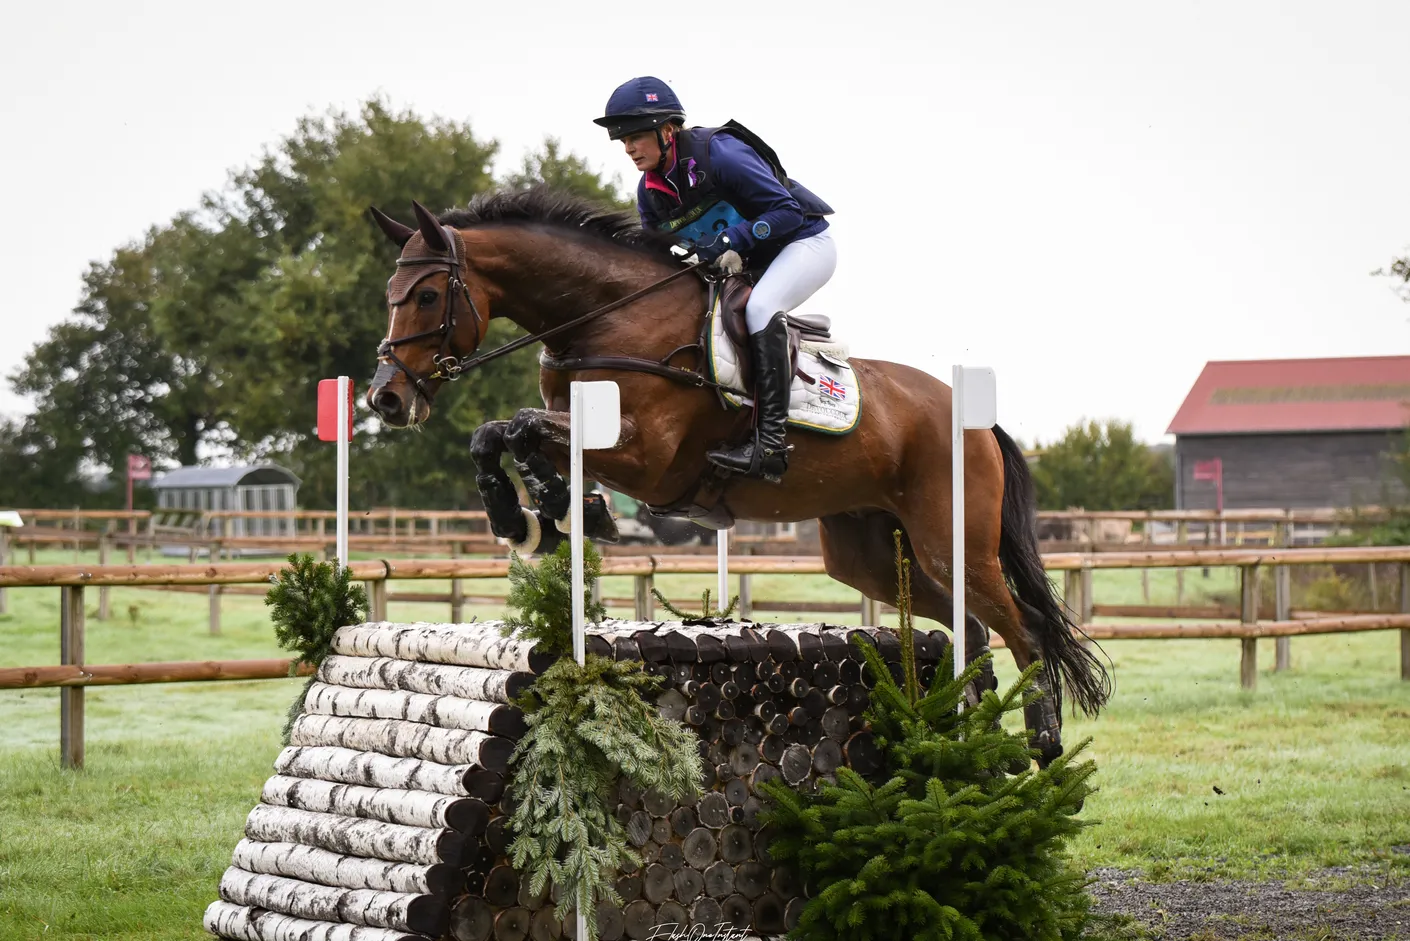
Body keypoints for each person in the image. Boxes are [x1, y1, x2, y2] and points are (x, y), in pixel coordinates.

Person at [594, 76, 836, 482]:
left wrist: (730, 239)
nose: (629, 149)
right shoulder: (649, 192)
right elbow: (660, 255)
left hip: (803, 245)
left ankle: (771, 445)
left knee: (760, 308)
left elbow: (788, 212)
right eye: (623, 141)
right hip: (747, 265)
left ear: (667, 130)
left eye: (635, 137)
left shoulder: (720, 154)